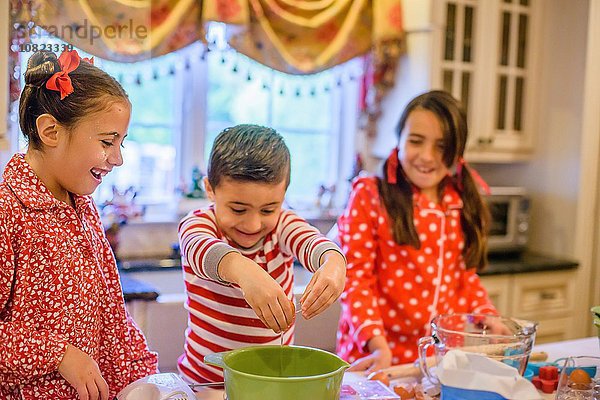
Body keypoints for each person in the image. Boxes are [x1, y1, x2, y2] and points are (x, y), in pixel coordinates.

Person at [0, 50, 158, 400]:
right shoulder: (7, 212)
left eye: (121, 142)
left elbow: (112, 316)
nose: (117, 158)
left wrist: (152, 379)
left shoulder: (83, 208)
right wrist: (58, 355)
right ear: (51, 131)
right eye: (107, 142)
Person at [336, 90, 498, 373]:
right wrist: (376, 343)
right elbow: (355, 279)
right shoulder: (371, 196)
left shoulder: (459, 201)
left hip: (441, 362)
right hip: (378, 359)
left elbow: (463, 277)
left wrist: (487, 314)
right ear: (398, 140)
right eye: (415, 141)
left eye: (441, 146)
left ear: (457, 152)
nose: (426, 156)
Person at [177, 124, 347, 383]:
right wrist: (245, 272)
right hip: (204, 383)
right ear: (210, 188)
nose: (253, 224)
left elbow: (315, 243)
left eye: (268, 210)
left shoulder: (284, 225)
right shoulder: (199, 224)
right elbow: (201, 249)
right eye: (238, 209)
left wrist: (334, 263)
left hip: (271, 382)